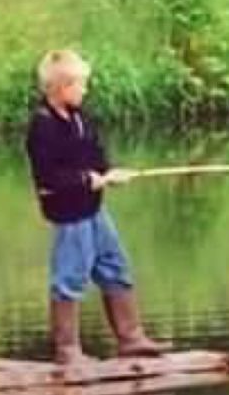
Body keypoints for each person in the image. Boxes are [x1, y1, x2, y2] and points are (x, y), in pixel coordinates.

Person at [24, 49, 165, 365]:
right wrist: (88, 180)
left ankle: (131, 337)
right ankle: (67, 350)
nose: (85, 90)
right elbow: (49, 175)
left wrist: (110, 173)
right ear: (61, 87)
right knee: (70, 276)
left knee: (115, 266)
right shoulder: (43, 127)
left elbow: (95, 153)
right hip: (68, 212)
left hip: (93, 209)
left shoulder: (80, 118)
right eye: (80, 85)